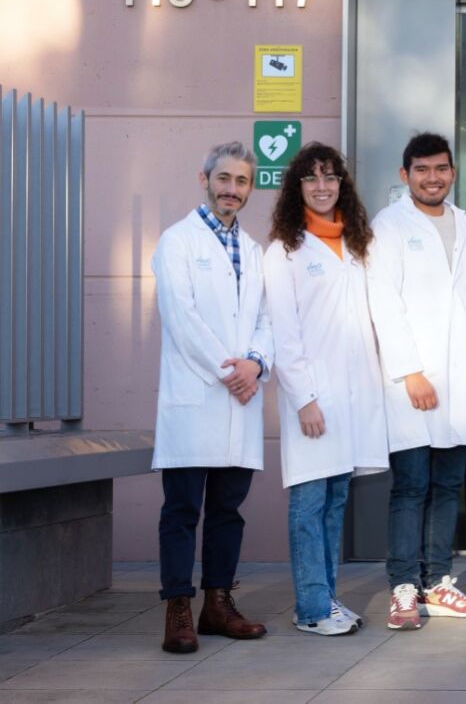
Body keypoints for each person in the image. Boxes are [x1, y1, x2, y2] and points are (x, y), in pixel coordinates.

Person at [263, 142, 390, 636]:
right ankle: (313, 608)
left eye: (331, 177)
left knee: (336, 499)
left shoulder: (356, 245)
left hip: (354, 397)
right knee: (309, 503)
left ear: (342, 184)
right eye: (312, 178)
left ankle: (325, 600)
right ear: (298, 187)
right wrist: (305, 398)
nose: (322, 186)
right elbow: (284, 331)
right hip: (314, 400)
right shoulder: (286, 250)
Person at [151, 141, 273, 654]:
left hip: (240, 398)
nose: (232, 189)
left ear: (251, 187)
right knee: (182, 509)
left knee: (228, 510)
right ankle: (178, 607)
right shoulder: (176, 241)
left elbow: (268, 319)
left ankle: (217, 603)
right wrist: (231, 371)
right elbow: (181, 319)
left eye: (242, 181)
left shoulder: (256, 250)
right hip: (198, 395)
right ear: (204, 179)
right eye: (224, 179)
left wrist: (257, 364)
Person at [367, 132, 466, 629]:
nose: (432, 178)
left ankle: (438, 583)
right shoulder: (390, 226)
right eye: (422, 170)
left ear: (453, 173)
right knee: (411, 486)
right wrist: (410, 371)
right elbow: (384, 301)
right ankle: (402, 588)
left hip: (460, 379)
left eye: (441, 169)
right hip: (413, 380)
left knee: (448, 485)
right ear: (405, 175)